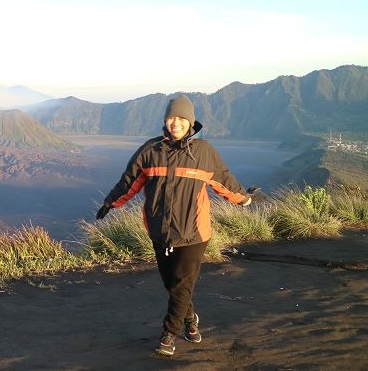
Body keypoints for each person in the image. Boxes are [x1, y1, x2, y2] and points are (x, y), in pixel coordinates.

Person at [95, 95, 252, 356]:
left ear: (190, 121)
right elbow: (129, 182)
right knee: (172, 284)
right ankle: (190, 319)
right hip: (160, 231)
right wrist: (111, 203)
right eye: (171, 118)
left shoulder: (203, 152)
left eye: (181, 118)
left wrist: (244, 199)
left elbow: (224, 181)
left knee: (180, 285)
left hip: (194, 234)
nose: (175, 123)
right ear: (165, 120)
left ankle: (168, 335)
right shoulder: (150, 151)